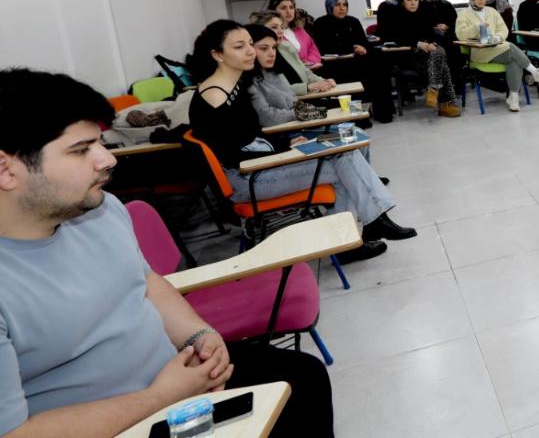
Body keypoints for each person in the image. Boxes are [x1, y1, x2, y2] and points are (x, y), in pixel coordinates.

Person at [0, 67, 335, 437]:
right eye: (81, 150)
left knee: (302, 378)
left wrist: (198, 336)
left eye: (99, 143)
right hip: (111, 422)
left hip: (173, 382)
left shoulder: (100, 209)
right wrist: (162, 396)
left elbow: (144, 282)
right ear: (5, 169)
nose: (106, 159)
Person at [186, 20, 415, 262]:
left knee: (344, 150)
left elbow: (252, 135)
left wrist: (288, 145)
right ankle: (364, 229)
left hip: (262, 162)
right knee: (343, 161)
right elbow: (235, 155)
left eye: (251, 44)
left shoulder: (234, 85)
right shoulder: (215, 96)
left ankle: (358, 234)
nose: (251, 51)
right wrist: (282, 153)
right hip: (247, 178)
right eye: (240, 46)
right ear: (217, 54)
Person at [455, 0, 539, 112]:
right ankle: (535, 72)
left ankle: (513, 97)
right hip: (479, 52)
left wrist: (497, 37)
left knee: (514, 61)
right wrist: (476, 27)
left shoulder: (492, 11)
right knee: (510, 47)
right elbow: (460, 35)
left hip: (497, 48)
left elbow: (503, 30)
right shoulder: (464, 14)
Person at [309, 0, 394, 123]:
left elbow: (364, 42)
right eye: (337, 5)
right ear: (330, 6)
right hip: (333, 64)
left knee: (380, 69)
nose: (342, 8)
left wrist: (362, 48)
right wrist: (351, 47)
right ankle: (357, 116)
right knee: (352, 76)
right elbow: (322, 47)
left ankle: (382, 113)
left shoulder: (353, 21)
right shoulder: (321, 23)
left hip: (355, 60)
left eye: (345, 5)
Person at [386, 0, 462, 117]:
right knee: (441, 63)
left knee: (439, 53)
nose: (413, 2)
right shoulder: (396, 16)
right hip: (407, 56)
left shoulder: (423, 15)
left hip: (428, 55)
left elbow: (432, 34)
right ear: (402, 1)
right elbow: (396, 38)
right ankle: (445, 104)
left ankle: (433, 90)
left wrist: (432, 43)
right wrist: (419, 44)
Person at [248, 11, 336, 96]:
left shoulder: (287, 47)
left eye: (282, 27)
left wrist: (324, 81)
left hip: (305, 98)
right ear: (259, 30)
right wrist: (308, 87)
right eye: (274, 27)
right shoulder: (260, 58)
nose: (280, 31)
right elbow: (279, 90)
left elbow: (305, 72)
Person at [420, 0, 463, 90]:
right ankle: (439, 88)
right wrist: (433, 28)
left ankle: (455, 85)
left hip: (448, 37)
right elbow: (419, 25)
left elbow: (456, 22)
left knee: (455, 54)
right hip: (431, 39)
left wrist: (447, 26)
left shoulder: (446, 4)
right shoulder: (420, 6)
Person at [267, 0, 323, 69]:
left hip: (309, 71)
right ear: (273, 11)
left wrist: (309, 62)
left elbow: (313, 49)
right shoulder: (270, 32)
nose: (288, 11)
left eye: (291, 7)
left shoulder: (299, 29)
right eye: (283, 8)